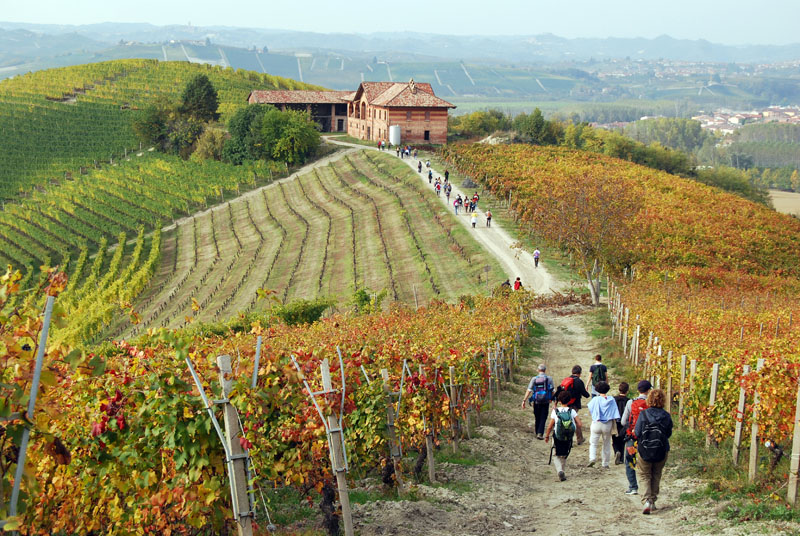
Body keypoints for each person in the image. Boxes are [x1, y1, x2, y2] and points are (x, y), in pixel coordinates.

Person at [635, 389, 673, 514]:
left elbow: (637, 432)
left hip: (644, 449)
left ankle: (647, 500)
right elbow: (668, 433)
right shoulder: (666, 416)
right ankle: (653, 500)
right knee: (656, 474)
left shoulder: (644, 414)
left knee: (644, 474)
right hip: (661, 449)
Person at [620, 380, 652, 496]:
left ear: (638, 390)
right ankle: (648, 489)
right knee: (647, 463)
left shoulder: (630, 402)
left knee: (630, 461)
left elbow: (623, 421)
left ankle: (633, 487)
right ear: (649, 390)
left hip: (632, 438)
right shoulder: (651, 403)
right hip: (647, 439)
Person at [545, 391, 583, 482]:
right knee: (564, 454)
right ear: (569, 401)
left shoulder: (555, 411)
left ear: (559, 401)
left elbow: (550, 426)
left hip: (557, 435)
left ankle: (560, 470)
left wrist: (547, 436)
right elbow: (580, 424)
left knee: (556, 454)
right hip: (568, 436)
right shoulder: (572, 411)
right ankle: (563, 471)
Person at [587, 381, 620, 469]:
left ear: (597, 389)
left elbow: (590, 409)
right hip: (607, 424)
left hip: (596, 423)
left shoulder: (595, 399)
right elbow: (615, 413)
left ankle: (592, 458)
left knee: (593, 443)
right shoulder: (611, 399)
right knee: (606, 443)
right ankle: (605, 463)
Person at [554, 365, 590, 444]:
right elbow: (585, 394)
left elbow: (559, 391)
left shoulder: (566, 380)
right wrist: (588, 395)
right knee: (574, 421)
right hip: (574, 404)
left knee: (566, 420)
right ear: (579, 373)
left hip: (565, 403)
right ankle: (579, 439)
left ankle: (566, 438)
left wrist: (556, 402)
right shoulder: (579, 381)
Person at [521, 364, 554, 439]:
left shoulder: (534, 379)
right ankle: (540, 433)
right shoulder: (549, 379)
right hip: (546, 401)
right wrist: (553, 400)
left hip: (536, 401)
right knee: (543, 417)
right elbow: (552, 390)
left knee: (537, 416)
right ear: (545, 370)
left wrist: (524, 400)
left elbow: (529, 390)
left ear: (538, 370)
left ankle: (537, 432)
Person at [612, 382, 630, 465]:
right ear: (627, 391)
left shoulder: (614, 399)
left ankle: (616, 451)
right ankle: (622, 458)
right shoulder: (628, 401)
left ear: (619, 390)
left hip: (615, 422)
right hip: (624, 422)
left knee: (615, 439)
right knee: (622, 440)